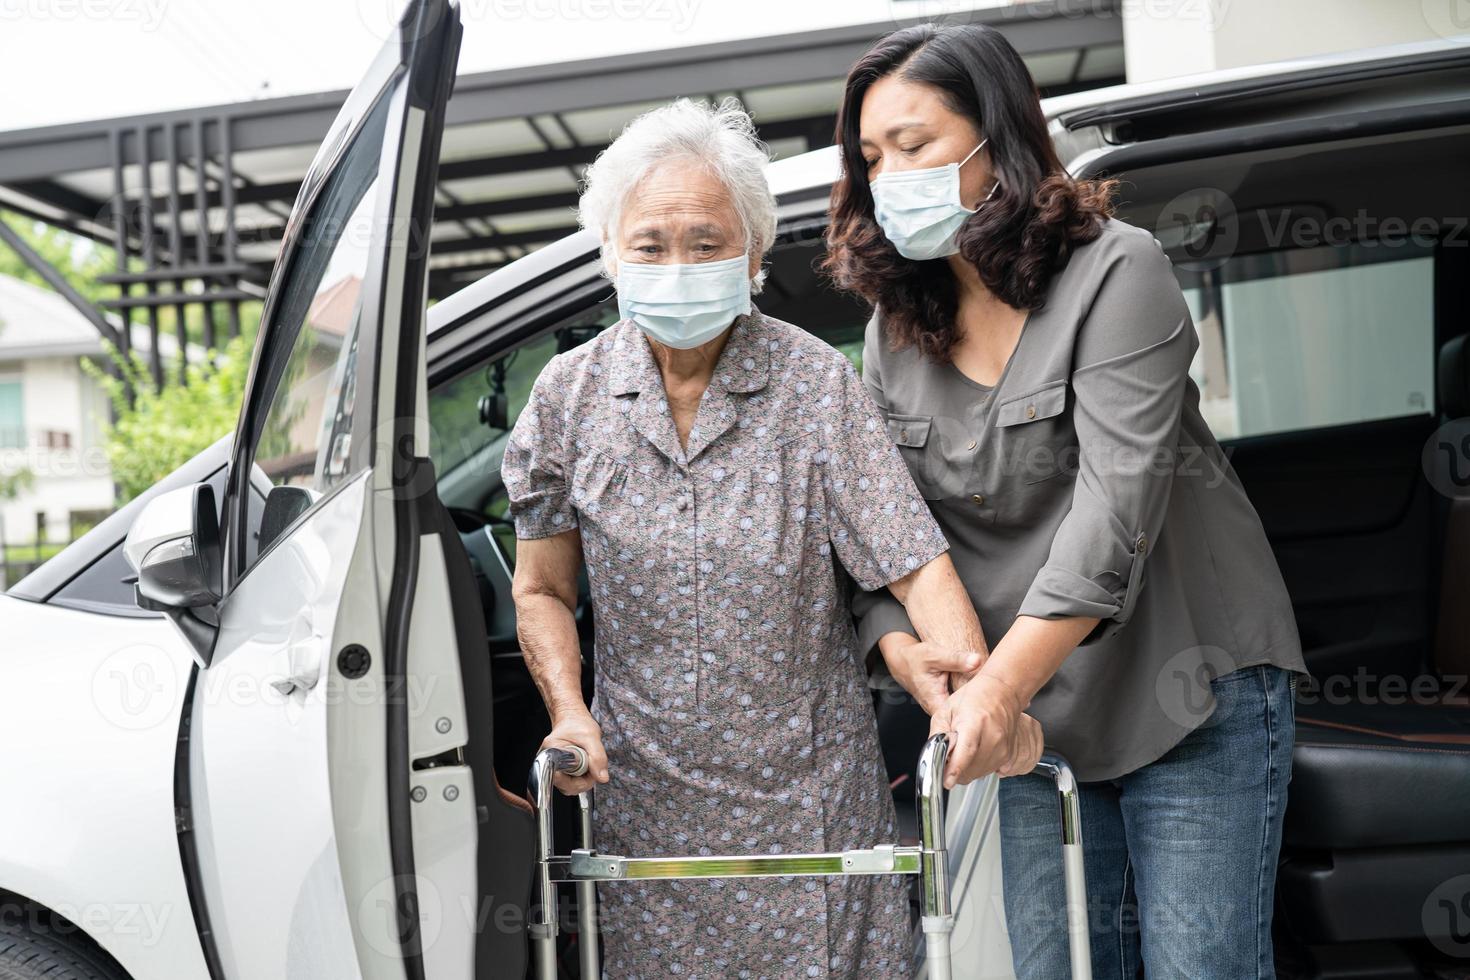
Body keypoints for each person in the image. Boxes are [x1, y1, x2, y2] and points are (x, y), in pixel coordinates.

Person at [502, 97, 1041, 979]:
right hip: (645, 807)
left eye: (708, 242)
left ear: (753, 255)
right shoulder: (567, 399)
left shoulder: (813, 385)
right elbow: (542, 590)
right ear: (610, 253)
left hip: (811, 805)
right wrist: (569, 711)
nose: (679, 263)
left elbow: (912, 565)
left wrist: (971, 699)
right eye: (650, 244)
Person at [823, 23, 1309, 980]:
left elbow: (1112, 514)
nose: (890, 177)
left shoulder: (1117, 270)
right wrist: (905, 650)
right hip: (1032, 722)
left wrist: (996, 690)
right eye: (872, 158)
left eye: (915, 146)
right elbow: (883, 531)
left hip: (1187, 692)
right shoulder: (892, 331)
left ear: (995, 140)